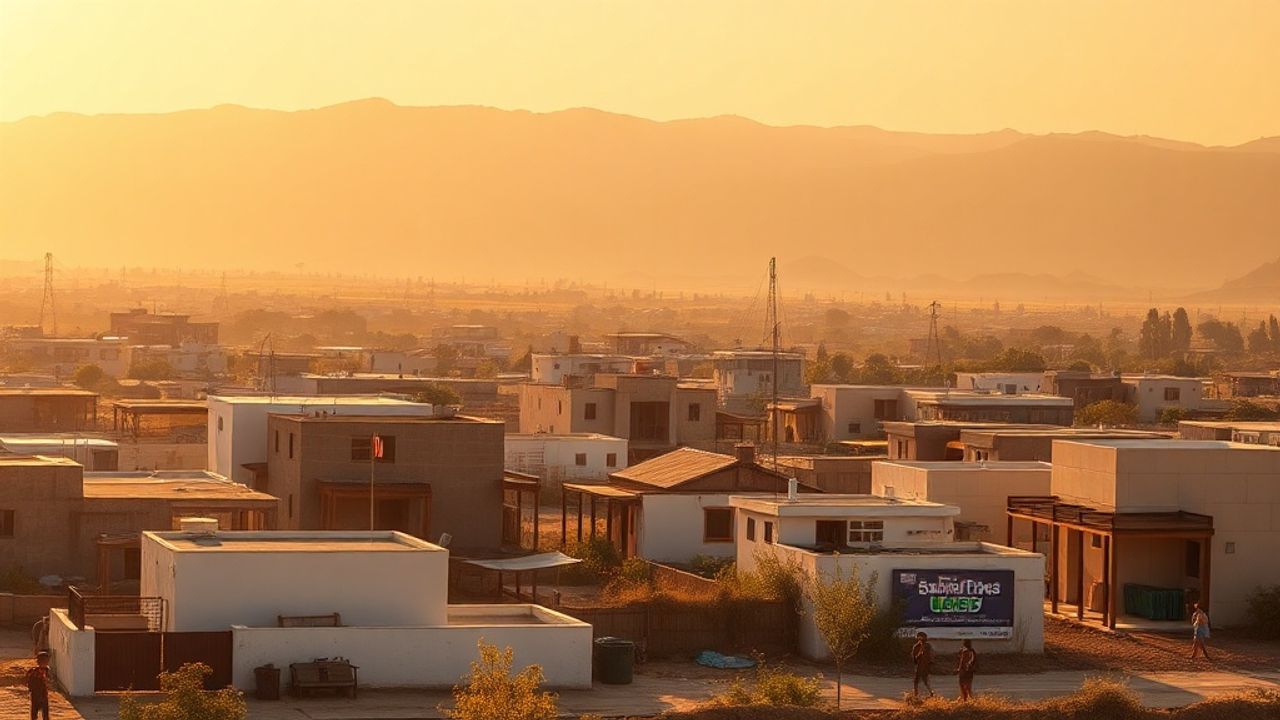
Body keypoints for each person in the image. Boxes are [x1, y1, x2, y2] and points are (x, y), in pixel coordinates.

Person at [26, 651, 50, 720]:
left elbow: (49, 681)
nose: (46, 663)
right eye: (44, 661)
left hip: (43, 694)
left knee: (45, 714)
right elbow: (29, 682)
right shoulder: (33, 672)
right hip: (35, 695)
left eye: (46, 661)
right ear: (38, 662)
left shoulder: (47, 670)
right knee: (34, 714)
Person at [911, 631, 935, 697]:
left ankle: (916, 695)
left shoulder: (925, 646)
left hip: (922, 665)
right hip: (923, 665)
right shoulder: (918, 646)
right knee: (923, 680)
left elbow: (917, 657)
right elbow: (915, 658)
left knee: (918, 680)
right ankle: (929, 692)